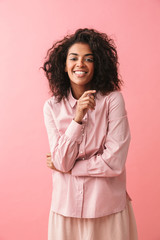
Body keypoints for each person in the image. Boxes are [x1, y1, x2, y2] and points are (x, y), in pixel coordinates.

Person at [42, 28, 138, 240]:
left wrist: (68, 168)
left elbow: (114, 162)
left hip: (108, 209)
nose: (80, 64)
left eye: (89, 59)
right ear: (64, 65)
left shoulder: (113, 100)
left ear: (98, 65)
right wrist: (77, 118)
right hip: (65, 210)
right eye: (74, 58)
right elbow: (62, 161)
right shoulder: (51, 107)